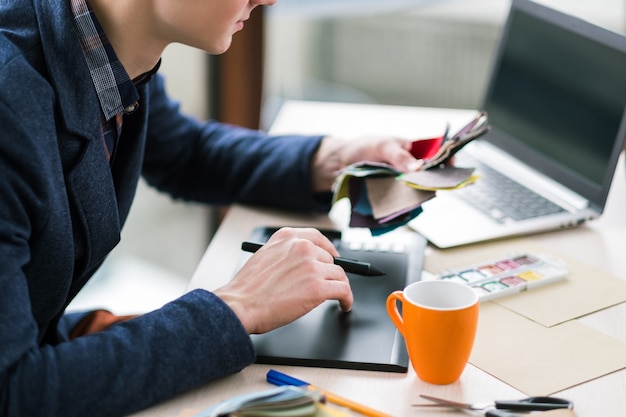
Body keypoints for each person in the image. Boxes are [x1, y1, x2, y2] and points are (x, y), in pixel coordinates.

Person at [0, 0, 423, 416]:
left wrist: (327, 162)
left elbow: (183, 152)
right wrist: (238, 306)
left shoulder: (106, 44)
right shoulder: (9, 100)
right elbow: (13, 392)